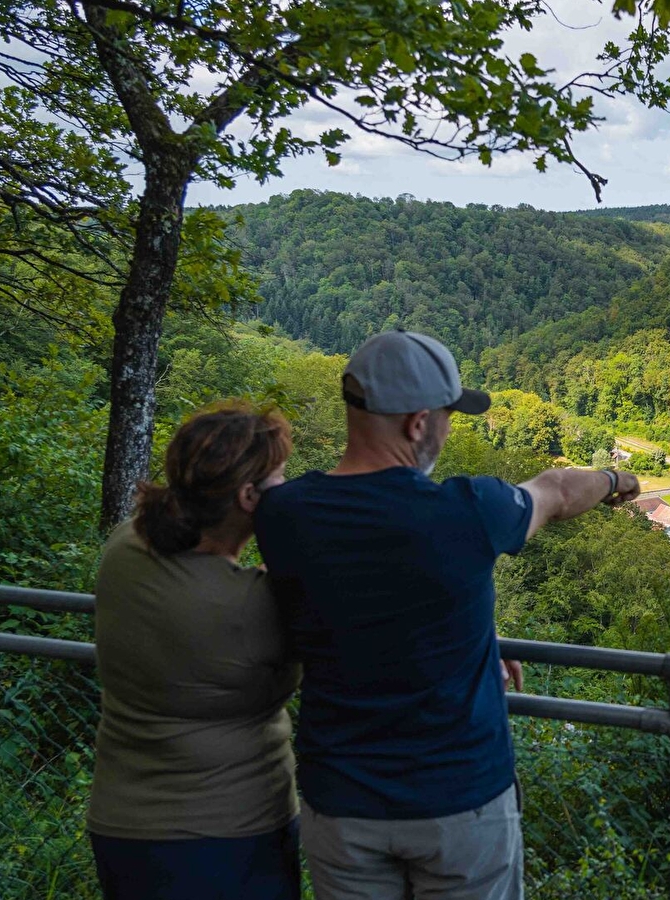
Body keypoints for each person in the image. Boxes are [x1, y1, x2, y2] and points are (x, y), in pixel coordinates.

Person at [254, 330, 640, 900]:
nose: (449, 427)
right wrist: (616, 480)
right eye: (448, 416)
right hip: (459, 800)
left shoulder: (282, 515)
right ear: (418, 423)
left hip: (341, 804)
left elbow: (359, 594)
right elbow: (557, 491)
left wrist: (477, 630)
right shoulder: (469, 510)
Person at [88, 404, 299, 900]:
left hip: (121, 825)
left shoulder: (126, 546)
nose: (287, 488)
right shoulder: (252, 606)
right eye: (279, 478)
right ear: (249, 496)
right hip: (231, 836)